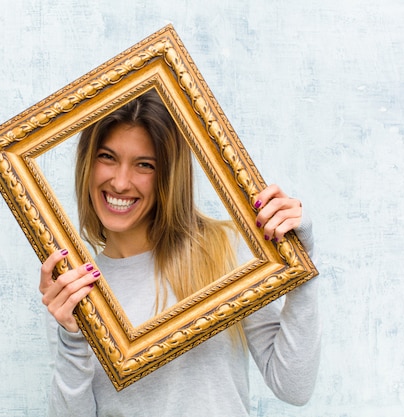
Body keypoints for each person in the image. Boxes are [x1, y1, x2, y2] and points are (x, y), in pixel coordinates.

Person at [39, 90, 320, 416]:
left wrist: (300, 266)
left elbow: (293, 386)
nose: (120, 182)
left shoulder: (225, 251)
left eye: (144, 164)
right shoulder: (72, 290)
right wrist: (73, 342)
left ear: (168, 177)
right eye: (107, 157)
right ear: (87, 163)